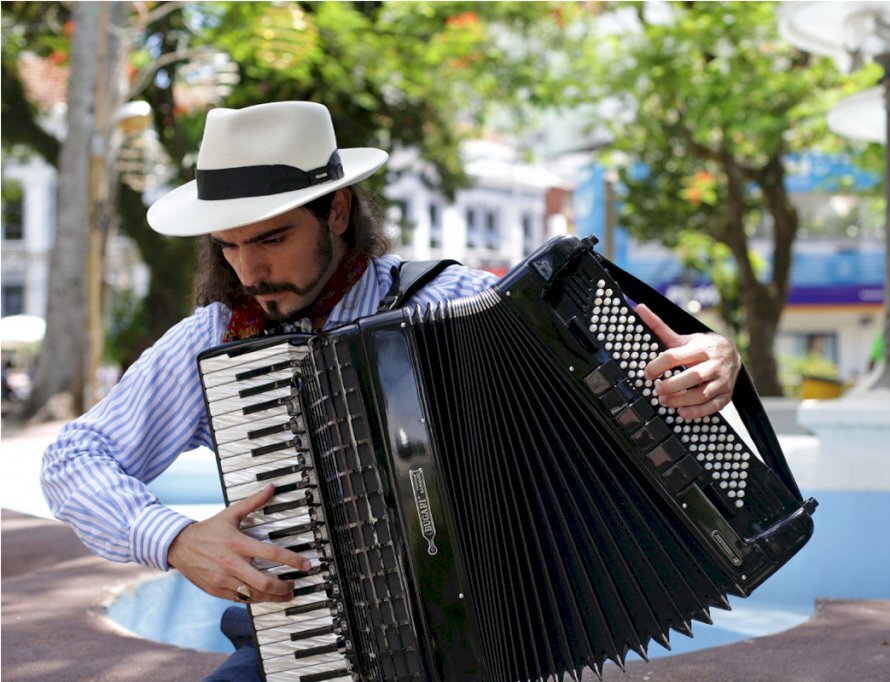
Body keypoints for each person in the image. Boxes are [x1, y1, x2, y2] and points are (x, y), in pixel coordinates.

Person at [40, 101, 742, 680]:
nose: (248, 268)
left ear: (337, 212)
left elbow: (626, 386)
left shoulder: (461, 300)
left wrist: (711, 362)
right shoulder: (217, 338)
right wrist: (174, 538)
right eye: (228, 245)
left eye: (272, 238)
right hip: (310, 649)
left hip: (502, 639)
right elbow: (74, 455)